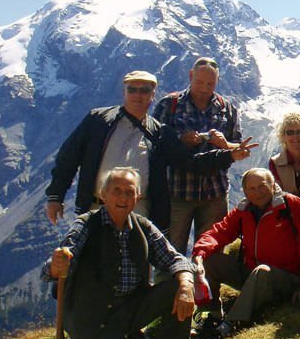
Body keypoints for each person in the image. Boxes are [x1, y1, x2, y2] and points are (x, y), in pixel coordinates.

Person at [45, 71, 252, 230]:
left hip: (139, 211)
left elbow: (191, 162)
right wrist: (56, 196)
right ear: (124, 92)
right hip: (96, 207)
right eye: (132, 89)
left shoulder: (160, 133)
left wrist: (229, 155)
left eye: (144, 90)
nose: (138, 95)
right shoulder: (98, 121)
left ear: (153, 95)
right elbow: (68, 158)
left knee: (135, 271)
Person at [43, 167, 196, 339]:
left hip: (130, 308)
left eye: (129, 191)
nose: (123, 197)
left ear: (138, 196)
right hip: (93, 319)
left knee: (178, 287)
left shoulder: (143, 226)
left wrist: (186, 284)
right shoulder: (86, 225)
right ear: (103, 195)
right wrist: (56, 265)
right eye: (116, 190)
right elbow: (59, 261)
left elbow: (175, 259)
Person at [191, 169, 300, 336]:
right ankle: (212, 314)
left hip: (285, 277)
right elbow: (220, 232)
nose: (258, 192)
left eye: (262, 186)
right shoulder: (244, 210)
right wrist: (200, 254)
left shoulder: (290, 205)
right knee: (210, 260)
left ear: (273, 186)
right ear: (245, 191)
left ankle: (230, 325)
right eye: (252, 189)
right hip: (251, 272)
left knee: (262, 272)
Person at [152, 57, 244, 254]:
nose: (204, 88)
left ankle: (207, 285)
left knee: (211, 252)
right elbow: (154, 142)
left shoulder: (226, 108)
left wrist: (225, 144)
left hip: (215, 194)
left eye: (210, 84)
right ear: (190, 76)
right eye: (200, 82)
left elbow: (240, 146)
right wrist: (180, 140)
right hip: (177, 193)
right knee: (169, 252)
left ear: (217, 82)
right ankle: (169, 286)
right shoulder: (170, 104)